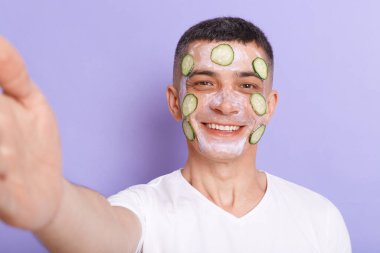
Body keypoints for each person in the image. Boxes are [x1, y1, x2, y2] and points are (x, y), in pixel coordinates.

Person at [0, 17, 351, 253]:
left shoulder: (319, 218)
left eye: (246, 86)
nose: (227, 105)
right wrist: (56, 205)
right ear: (175, 101)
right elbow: (104, 233)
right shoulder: (144, 210)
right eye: (204, 83)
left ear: (269, 106)